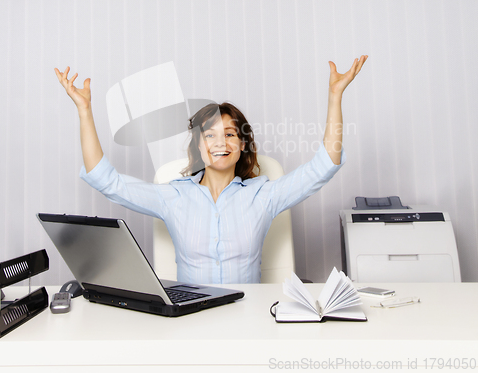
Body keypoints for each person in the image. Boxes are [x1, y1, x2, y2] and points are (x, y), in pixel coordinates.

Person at [54, 56, 367, 284]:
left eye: (230, 134)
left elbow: (323, 167)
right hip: (192, 320)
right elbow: (105, 179)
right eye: (211, 135)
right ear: (198, 146)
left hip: (249, 317)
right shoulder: (173, 196)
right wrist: (84, 111)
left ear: (242, 144)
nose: (221, 142)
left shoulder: (263, 194)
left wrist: (335, 96)